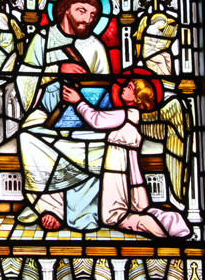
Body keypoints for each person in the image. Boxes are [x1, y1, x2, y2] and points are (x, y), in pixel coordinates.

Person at [15, 0, 110, 231]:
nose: (87, 19)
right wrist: (57, 68)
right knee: (28, 137)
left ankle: (81, 212)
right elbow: (24, 82)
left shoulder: (96, 47)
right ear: (65, 9)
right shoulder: (42, 40)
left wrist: (85, 106)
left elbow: (105, 90)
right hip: (45, 114)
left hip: (86, 116)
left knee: (95, 144)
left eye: (93, 15)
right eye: (82, 10)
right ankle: (50, 206)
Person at [61, 79, 190, 237]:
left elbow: (97, 119)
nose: (124, 87)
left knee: (113, 217)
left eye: (130, 87)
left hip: (118, 170)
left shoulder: (124, 114)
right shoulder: (134, 117)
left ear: (137, 98)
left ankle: (158, 231)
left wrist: (78, 101)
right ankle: (174, 222)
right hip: (132, 176)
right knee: (143, 209)